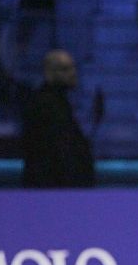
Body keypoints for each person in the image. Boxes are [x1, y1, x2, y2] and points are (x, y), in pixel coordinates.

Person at [21, 49, 94, 188]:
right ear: (49, 73)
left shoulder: (60, 103)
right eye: (65, 69)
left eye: (73, 67)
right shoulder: (44, 105)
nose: (73, 73)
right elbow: (53, 153)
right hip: (51, 192)